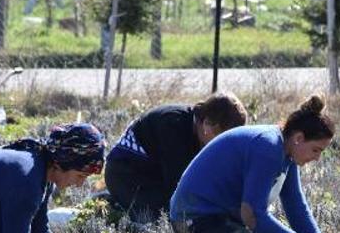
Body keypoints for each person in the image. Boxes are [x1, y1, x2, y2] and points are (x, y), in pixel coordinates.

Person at [169, 94, 333, 233]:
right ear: (299, 138)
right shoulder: (268, 147)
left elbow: (296, 207)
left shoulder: (286, 152)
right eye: (316, 150)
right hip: (194, 219)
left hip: (222, 218)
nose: (317, 158)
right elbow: (252, 214)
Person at [104, 92, 248, 223]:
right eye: (223, 138)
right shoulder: (173, 125)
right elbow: (178, 187)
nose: (224, 146)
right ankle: (113, 205)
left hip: (155, 173)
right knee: (166, 216)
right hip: (126, 175)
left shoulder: (199, 131)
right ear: (207, 125)